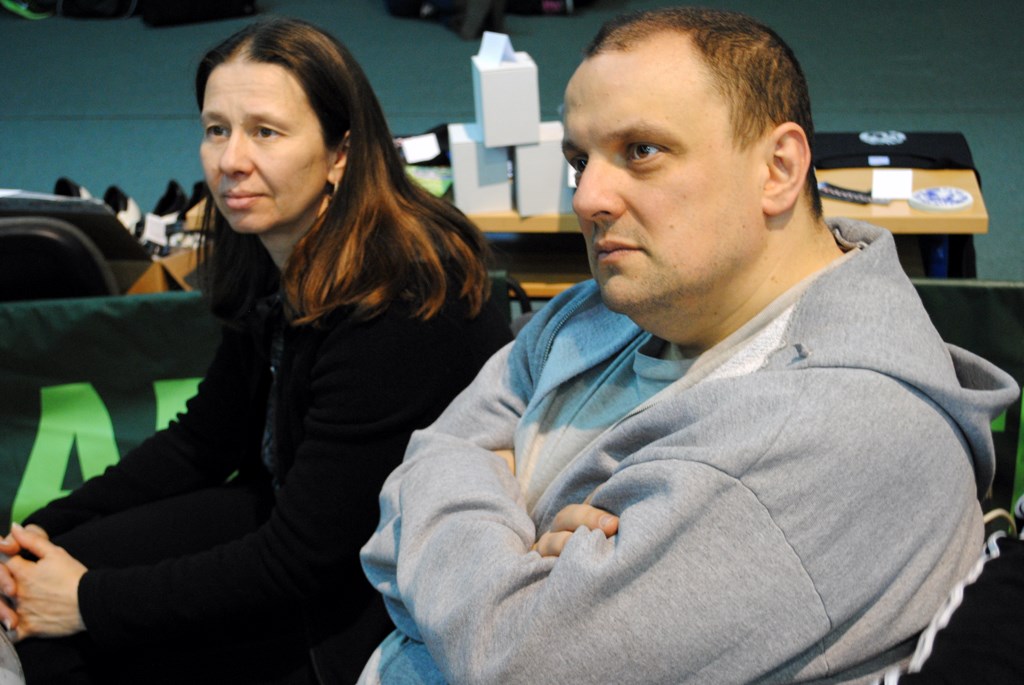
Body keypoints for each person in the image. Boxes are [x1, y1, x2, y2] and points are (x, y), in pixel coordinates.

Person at [358, 7, 1019, 684]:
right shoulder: (622, 303)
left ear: (778, 169)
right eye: (580, 160)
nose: (587, 198)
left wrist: (487, 506)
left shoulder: (822, 433)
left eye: (641, 151)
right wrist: (521, 550)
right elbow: (418, 479)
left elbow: (507, 658)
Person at [0, 17, 510, 684]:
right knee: (33, 582)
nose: (230, 160)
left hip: (380, 604)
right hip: (297, 525)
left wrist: (87, 602)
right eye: (217, 129)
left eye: (265, 132)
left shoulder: (403, 297)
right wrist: (37, 532)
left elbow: (305, 559)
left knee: (62, 643)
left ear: (341, 151)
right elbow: (204, 442)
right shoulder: (276, 240)